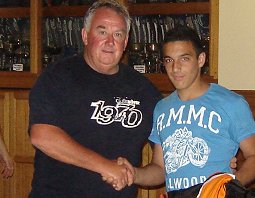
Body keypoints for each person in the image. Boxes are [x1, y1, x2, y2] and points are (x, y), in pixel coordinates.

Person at [28, 0, 162, 197]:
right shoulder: (57, 76)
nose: (110, 42)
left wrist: (133, 174)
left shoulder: (145, 90)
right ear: (85, 35)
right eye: (102, 31)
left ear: (125, 42)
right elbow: (42, 136)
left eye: (118, 34)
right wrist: (105, 167)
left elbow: (161, 169)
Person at [113, 25, 255, 197]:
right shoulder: (161, 108)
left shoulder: (232, 103)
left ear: (200, 59)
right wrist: (133, 173)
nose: (175, 68)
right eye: (169, 60)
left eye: (184, 59)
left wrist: (227, 187)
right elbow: (160, 168)